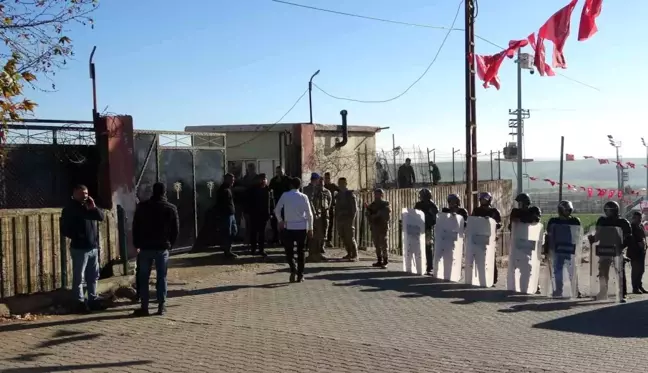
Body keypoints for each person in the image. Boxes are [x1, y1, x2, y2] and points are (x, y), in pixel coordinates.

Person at [132, 182, 179, 316]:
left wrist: (137, 244)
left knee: (143, 277)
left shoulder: (142, 207)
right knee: (161, 277)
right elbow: (175, 230)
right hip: (161, 247)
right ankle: (161, 305)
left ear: (153, 191)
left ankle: (144, 306)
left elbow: (136, 227)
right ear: (164, 192)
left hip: (146, 247)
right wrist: (170, 244)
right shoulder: (170, 208)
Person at [61, 184, 105, 314]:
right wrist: (77, 236)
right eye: (81, 194)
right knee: (79, 277)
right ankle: (79, 302)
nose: (84, 196)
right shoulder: (70, 209)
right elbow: (65, 229)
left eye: (86, 193)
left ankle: (92, 299)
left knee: (93, 276)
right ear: (74, 194)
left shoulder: (89, 206)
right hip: (79, 248)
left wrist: (94, 207)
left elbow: (101, 217)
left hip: (93, 247)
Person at [587, 201, 631, 302]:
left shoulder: (623, 222)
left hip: (617, 250)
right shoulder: (602, 221)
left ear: (616, 210)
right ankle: (603, 292)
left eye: (610, 210)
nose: (608, 212)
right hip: (604, 249)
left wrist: (621, 248)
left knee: (619, 272)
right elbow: (597, 236)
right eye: (607, 210)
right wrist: (592, 238)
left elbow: (628, 238)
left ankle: (622, 293)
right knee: (603, 272)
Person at [274, 177, 314, 283]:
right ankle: (300, 275)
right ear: (300, 186)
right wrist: (310, 228)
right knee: (301, 252)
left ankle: (293, 268)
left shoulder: (285, 195)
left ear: (290, 185)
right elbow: (310, 214)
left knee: (289, 251)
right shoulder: (304, 197)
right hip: (301, 227)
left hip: (289, 227)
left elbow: (277, 209)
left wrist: (280, 221)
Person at [544, 200, 581, 297]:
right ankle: (558, 290)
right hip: (558, 249)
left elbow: (578, 235)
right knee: (558, 270)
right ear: (561, 210)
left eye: (569, 210)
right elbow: (549, 235)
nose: (568, 211)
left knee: (572, 270)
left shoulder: (575, 221)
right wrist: (547, 249)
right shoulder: (553, 221)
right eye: (566, 210)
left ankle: (575, 290)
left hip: (570, 249)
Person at [509, 193, 542, 293]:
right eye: (518, 203)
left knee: (531, 264)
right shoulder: (515, 212)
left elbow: (536, 220)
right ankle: (515, 286)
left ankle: (535, 284)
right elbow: (511, 226)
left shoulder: (533, 210)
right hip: (518, 240)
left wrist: (522, 220)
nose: (519, 205)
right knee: (518, 264)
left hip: (530, 240)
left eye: (521, 203)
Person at [471, 192, 502, 285]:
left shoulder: (494, 211)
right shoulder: (476, 210)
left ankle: (493, 278)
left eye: (485, 199)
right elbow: (472, 221)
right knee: (478, 258)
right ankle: (478, 277)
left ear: (489, 200)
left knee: (491, 258)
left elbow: (499, 223)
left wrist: (492, 222)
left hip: (490, 237)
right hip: (479, 237)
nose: (483, 201)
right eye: (482, 199)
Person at [303, 173, 332, 262]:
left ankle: (317, 253)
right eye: (318, 180)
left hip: (320, 214)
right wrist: (315, 213)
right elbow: (310, 202)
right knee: (313, 235)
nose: (319, 182)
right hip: (313, 215)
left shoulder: (323, 191)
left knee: (319, 235)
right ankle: (312, 254)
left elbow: (329, 202)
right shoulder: (310, 189)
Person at [245, 174, 271, 257]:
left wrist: (270, 213)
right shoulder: (252, 189)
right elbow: (247, 202)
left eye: (265, 179)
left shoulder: (268, 189)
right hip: (254, 214)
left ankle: (261, 249)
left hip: (263, 214)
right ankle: (253, 249)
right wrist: (247, 213)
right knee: (253, 232)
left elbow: (270, 203)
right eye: (262, 179)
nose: (263, 181)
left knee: (262, 233)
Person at [414, 188, 439, 275]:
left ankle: (429, 267)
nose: (421, 197)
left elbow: (435, 218)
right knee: (418, 247)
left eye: (422, 195)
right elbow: (414, 214)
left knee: (428, 248)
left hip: (428, 229)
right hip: (419, 228)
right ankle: (419, 265)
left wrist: (427, 219)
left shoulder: (432, 205)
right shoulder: (418, 204)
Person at [366, 188, 391, 268]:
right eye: (375, 194)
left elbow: (386, 214)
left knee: (384, 244)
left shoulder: (385, 204)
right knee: (377, 244)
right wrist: (370, 213)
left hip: (382, 226)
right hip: (375, 226)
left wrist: (377, 215)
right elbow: (368, 214)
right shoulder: (372, 205)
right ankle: (379, 260)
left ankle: (385, 260)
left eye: (378, 194)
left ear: (381, 195)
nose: (376, 196)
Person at [335, 177, 359, 261]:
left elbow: (354, 209)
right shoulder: (338, 195)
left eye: (343, 183)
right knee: (343, 236)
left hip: (348, 219)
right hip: (340, 219)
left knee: (350, 237)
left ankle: (355, 254)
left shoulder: (350, 194)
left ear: (346, 184)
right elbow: (336, 207)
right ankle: (349, 253)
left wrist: (352, 219)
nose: (341, 185)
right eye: (339, 183)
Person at [216, 173, 238, 259]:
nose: (233, 181)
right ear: (226, 180)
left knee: (234, 231)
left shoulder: (228, 189)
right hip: (226, 214)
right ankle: (227, 251)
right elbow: (220, 204)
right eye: (231, 180)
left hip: (231, 214)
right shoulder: (223, 190)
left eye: (233, 180)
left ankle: (227, 248)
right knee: (228, 232)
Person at [269, 166, 290, 245]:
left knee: (284, 221)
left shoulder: (288, 180)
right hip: (277, 203)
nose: (279, 174)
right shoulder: (274, 180)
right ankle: (276, 238)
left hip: (286, 204)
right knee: (275, 221)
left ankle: (284, 239)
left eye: (280, 172)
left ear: (283, 172)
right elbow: (270, 189)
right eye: (277, 172)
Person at [628, 211, 647, 294]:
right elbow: (631, 239)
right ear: (633, 218)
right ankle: (635, 288)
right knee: (636, 270)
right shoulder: (631, 227)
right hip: (634, 252)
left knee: (641, 270)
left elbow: (643, 237)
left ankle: (639, 285)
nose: (639, 220)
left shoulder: (640, 226)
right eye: (637, 218)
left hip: (641, 251)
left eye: (640, 218)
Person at [323, 172, 339, 248]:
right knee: (324, 224)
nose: (327, 180)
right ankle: (323, 240)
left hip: (331, 208)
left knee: (330, 225)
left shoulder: (333, 186)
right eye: (325, 178)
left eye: (328, 178)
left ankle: (329, 241)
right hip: (323, 208)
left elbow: (340, 191)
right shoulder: (323, 186)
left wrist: (335, 199)